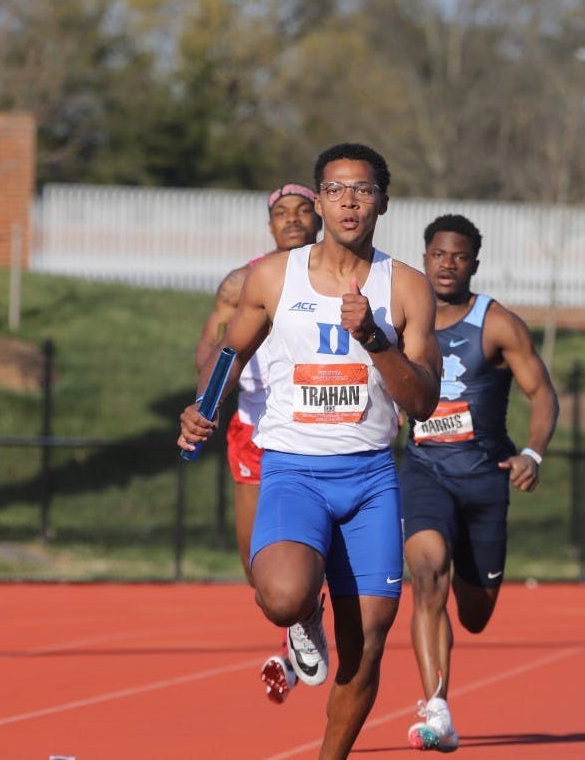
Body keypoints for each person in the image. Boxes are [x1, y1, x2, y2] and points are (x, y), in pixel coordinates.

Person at [178, 142, 441, 759]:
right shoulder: (273, 277)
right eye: (337, 189)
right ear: (319, 200)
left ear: (383, 201)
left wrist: (376, 339)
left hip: (371, 478)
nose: (350, 201)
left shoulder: (405, 286)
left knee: (368, 644)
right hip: (295, 472)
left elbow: (423, 401)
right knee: (282, 597)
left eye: (364, 189)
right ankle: (304, 617)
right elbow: (231, 349)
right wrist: (205, 408)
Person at [399, 214, 560, 752]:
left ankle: (472, 581)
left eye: (459, 256)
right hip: (424, 472)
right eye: (439, 255)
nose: (448, 264)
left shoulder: (498, 324)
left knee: (474, 614)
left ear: (473, 263)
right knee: (426, 577)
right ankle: (437, 708)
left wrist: (533, 453)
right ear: (425, 259)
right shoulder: (399, 319)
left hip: (485, 482)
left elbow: (543, 394)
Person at [193, 182, 321, 704]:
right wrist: (208, 395)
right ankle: (303, 616)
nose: (292, 220)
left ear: (318, 219)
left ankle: (307, 619)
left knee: (313, 552)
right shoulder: (242, 281)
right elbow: (210, 341)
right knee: (256, 570)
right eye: (281, 213)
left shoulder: (335, 277)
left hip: (314, 427)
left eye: (302, 211)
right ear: (270, 226)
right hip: (252, 428)